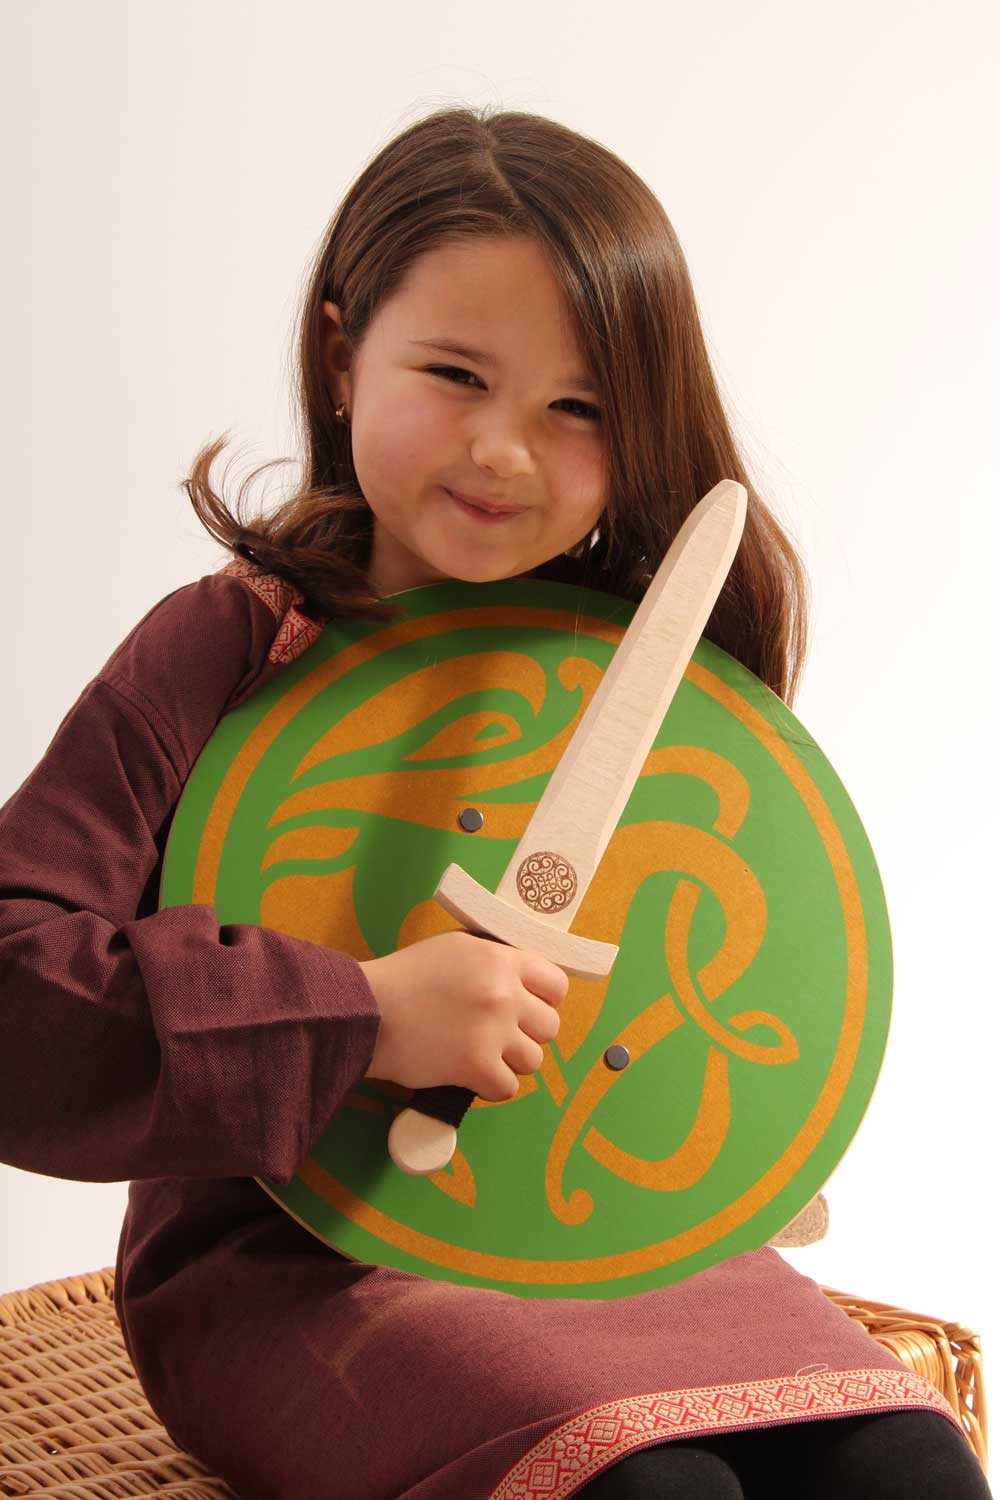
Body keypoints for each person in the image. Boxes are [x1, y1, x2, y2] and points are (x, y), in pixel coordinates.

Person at [0, 106, 989, 1500]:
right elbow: (15, 990)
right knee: (646, 1496)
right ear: (346, 353)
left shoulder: (639, 665)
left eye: (576, 407)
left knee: (910, 1471)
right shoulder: (221, 651)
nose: (504, 451)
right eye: (456, 374)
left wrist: (739, 1152)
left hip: (602, 1244)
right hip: (292, 1265)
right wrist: (364, 1014)